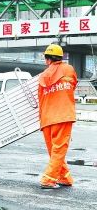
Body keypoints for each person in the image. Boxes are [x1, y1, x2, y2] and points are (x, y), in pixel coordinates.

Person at [38, 44, 77, 189]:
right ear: (61, 57)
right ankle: (48, 180)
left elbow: (40, 96)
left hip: (47, 117)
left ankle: (64, 177)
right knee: (59, 150)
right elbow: (73, 86)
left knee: (54, 151)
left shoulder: (43, 75)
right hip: (63, 114)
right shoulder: (69, 69)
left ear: (48, 59)